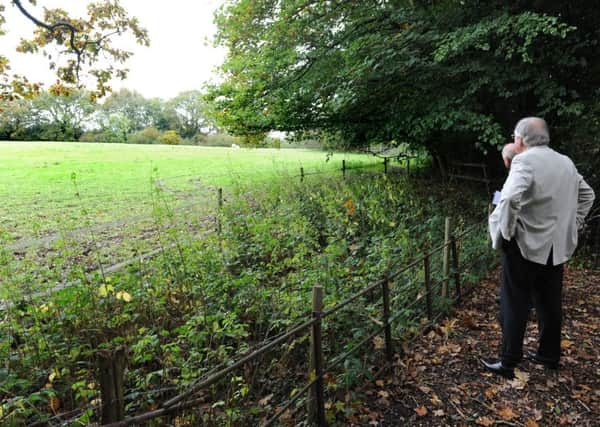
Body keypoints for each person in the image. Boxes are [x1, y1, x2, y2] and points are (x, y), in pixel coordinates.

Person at [484, 117, 595, 378]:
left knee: (515, 302)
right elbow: (588, 194)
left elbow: (510, 198)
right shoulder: (565, 161)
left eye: (514, 137)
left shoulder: (524, 160)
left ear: (520, 139)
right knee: (549, 303)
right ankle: (549, 355)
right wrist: (573, 222)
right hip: (556, 247)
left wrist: (507, 231)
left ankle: (508, 361)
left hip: (526, 244)